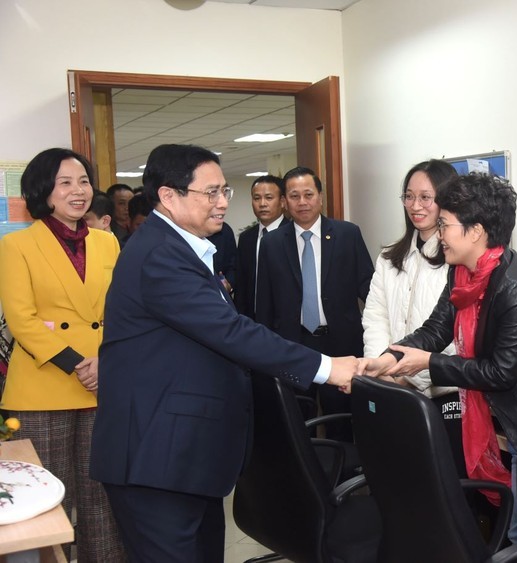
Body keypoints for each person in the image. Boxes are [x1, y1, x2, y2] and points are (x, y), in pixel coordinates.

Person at [89, 145, 360, 563]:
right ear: (169, 196)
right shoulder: (160, 256)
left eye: (224, 192)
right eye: (211, 193)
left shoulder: (185, 248)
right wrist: (326, 367)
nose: (222, 203)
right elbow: (230, 331)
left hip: (186, 456)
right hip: (155, 458)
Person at [360, 172, 517, 546]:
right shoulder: (464, 272)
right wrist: (389, 357)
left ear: (475, 231)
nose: (440, 233)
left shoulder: (515, 290)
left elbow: (500, 372)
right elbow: (435, 329)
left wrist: (428, 364)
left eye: (445, 224)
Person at [0, 148, 125, 561]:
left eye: (84, 181)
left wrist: (104, 363)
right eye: (65, 183)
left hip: (101, 384)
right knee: (46, 505)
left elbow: (122, 310)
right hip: (44, 387)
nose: (79, 191)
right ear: (43, 192)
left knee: (100, 498)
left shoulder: (108, 243)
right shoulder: (16, 245)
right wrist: (79, 365)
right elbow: (23, 320)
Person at [362, 159, 465, 474]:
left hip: (442, 394)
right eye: (409, 196)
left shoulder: (458, 261)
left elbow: (452, 334)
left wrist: (410, 376)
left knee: (446, 484)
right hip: (394, 386)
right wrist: (383, 370)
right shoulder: (390, 257)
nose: (415, 205)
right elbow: (375, 317)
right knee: (405, 481)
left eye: (425, 197)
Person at [257, 166, 374, 441]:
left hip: (340, 346)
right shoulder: (272, 243)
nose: (302, 202)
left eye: (308, 194)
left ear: (320, 197)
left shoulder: (347, 234)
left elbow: (369, 290)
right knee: (297, 422)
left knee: (342, 421)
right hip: (292, 345)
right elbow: (265, 304)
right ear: (285, 201)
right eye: (294, 196)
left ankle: (344, 478)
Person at [235, 174, 288, 318]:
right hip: (252, 319)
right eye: (257, 198)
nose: (262, 204)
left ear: (282, 201)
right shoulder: (246, 238)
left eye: (269, 198)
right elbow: (242, 284)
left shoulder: (294, 235)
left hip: (287, 319)